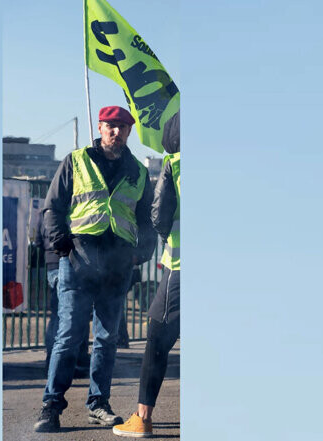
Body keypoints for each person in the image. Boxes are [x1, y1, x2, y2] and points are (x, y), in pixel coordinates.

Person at [34, 106, 157, 432]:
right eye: (111, 126)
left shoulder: (138, 173)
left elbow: (147, 221)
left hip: (117, 267)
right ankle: (51, 406)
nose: (116, 132)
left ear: (129, 132)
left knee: (106, 340)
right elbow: (52, 207)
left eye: (122, 127)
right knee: (68, 337)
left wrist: (137, 256)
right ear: (100, 127)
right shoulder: (76, 161)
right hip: (78, 261)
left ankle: (98, 404)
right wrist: (62, 245)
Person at [113, 111, 180, 438]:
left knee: (156, 339)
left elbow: (159, 216)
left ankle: (142, 417)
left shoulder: (177, 164)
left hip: (181, 268)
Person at [40, 221, 91, 378]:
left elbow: (38, 239)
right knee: (73, 314)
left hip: (54, 260)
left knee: (59, 315)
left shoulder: (47, 211)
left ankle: (54, 362)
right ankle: (74, 362)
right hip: (67, 258)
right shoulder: (68, 207)